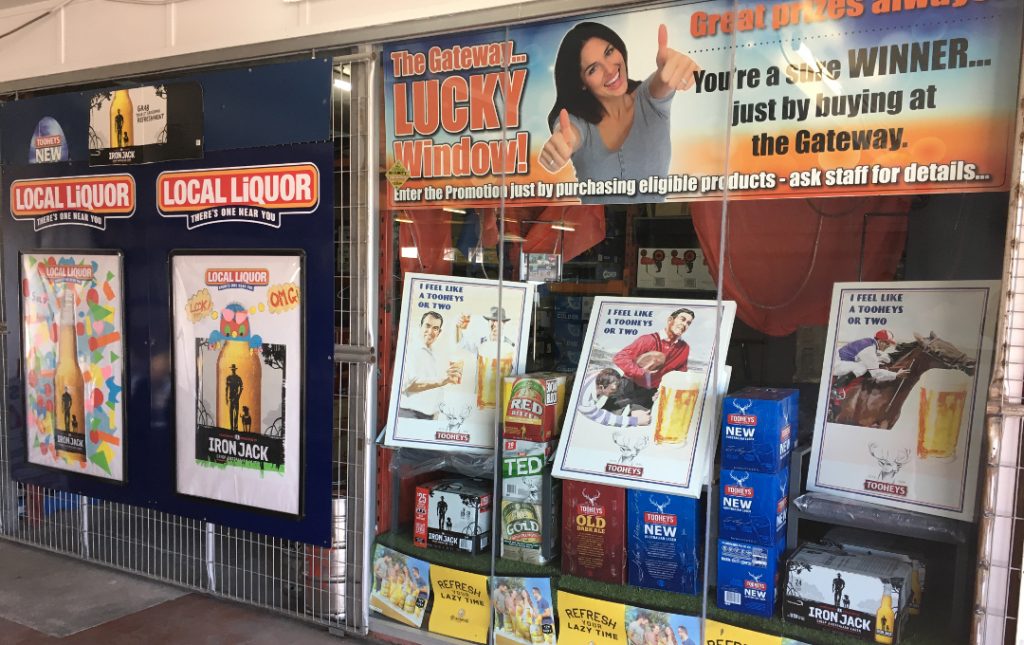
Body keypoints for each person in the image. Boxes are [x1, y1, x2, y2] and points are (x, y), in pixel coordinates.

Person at [539, 22, 700, 204]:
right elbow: (569, 132)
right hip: (596, 231)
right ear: (581, 82)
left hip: (655, 226)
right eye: (593, 69)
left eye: (609, 52)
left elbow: (662, 82)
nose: (609, 70)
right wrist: (561, 144)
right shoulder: (579, 123)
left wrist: (673, 68)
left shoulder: (648, 98)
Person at [609, 307, 695, 410]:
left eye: (688, 323)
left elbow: (679, 373)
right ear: (670, 320)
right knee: (609, 417)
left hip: (649, 393)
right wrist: (640, 372)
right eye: (682, 319)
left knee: (640, 423)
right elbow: (620, 357)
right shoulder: (648, 340)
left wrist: (664, 390)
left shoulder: (684, 348)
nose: (685, 324)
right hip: (627, 386)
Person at [398, 311, 461, 419]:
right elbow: (407, 386)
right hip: (410, 414)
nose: (430, 331)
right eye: (427, 326)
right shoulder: (409, 350)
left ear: (439, 332)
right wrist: (443, 381)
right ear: (420, 326)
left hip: (429, 416)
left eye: (435, 328)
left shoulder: (434, 352)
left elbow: (433, 385)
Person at [579, 368, 651, 426]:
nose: (616, 390)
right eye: (612, 389)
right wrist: (634, 420)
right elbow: (605, 418)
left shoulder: (604, 374)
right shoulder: (584, 402)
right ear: (601, 387)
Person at [834, 329, 908, 383]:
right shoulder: (869, 349)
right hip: (837, 364)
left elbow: (880, 356)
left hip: (839, 359)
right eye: (887, 343)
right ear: (880, 341)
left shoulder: (870, 342)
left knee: (863, 365)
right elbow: (875, 374)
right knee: (862, 368)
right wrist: (895, 375)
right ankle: (837, 386)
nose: (888, 346)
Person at [225, 364, 243, 431]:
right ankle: (231, 428)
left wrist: (238, 395)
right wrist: (226, 398)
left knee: (236, 413)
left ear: (235, 369)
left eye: (234, 369)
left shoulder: (238, 378)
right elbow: (226, 388)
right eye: (232, 369)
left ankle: (235, 428)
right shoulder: (228, 378)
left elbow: (241, 387)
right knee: (231, 413)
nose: (233, 370)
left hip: (236, 398)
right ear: (231, 369)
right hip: (230, 398)